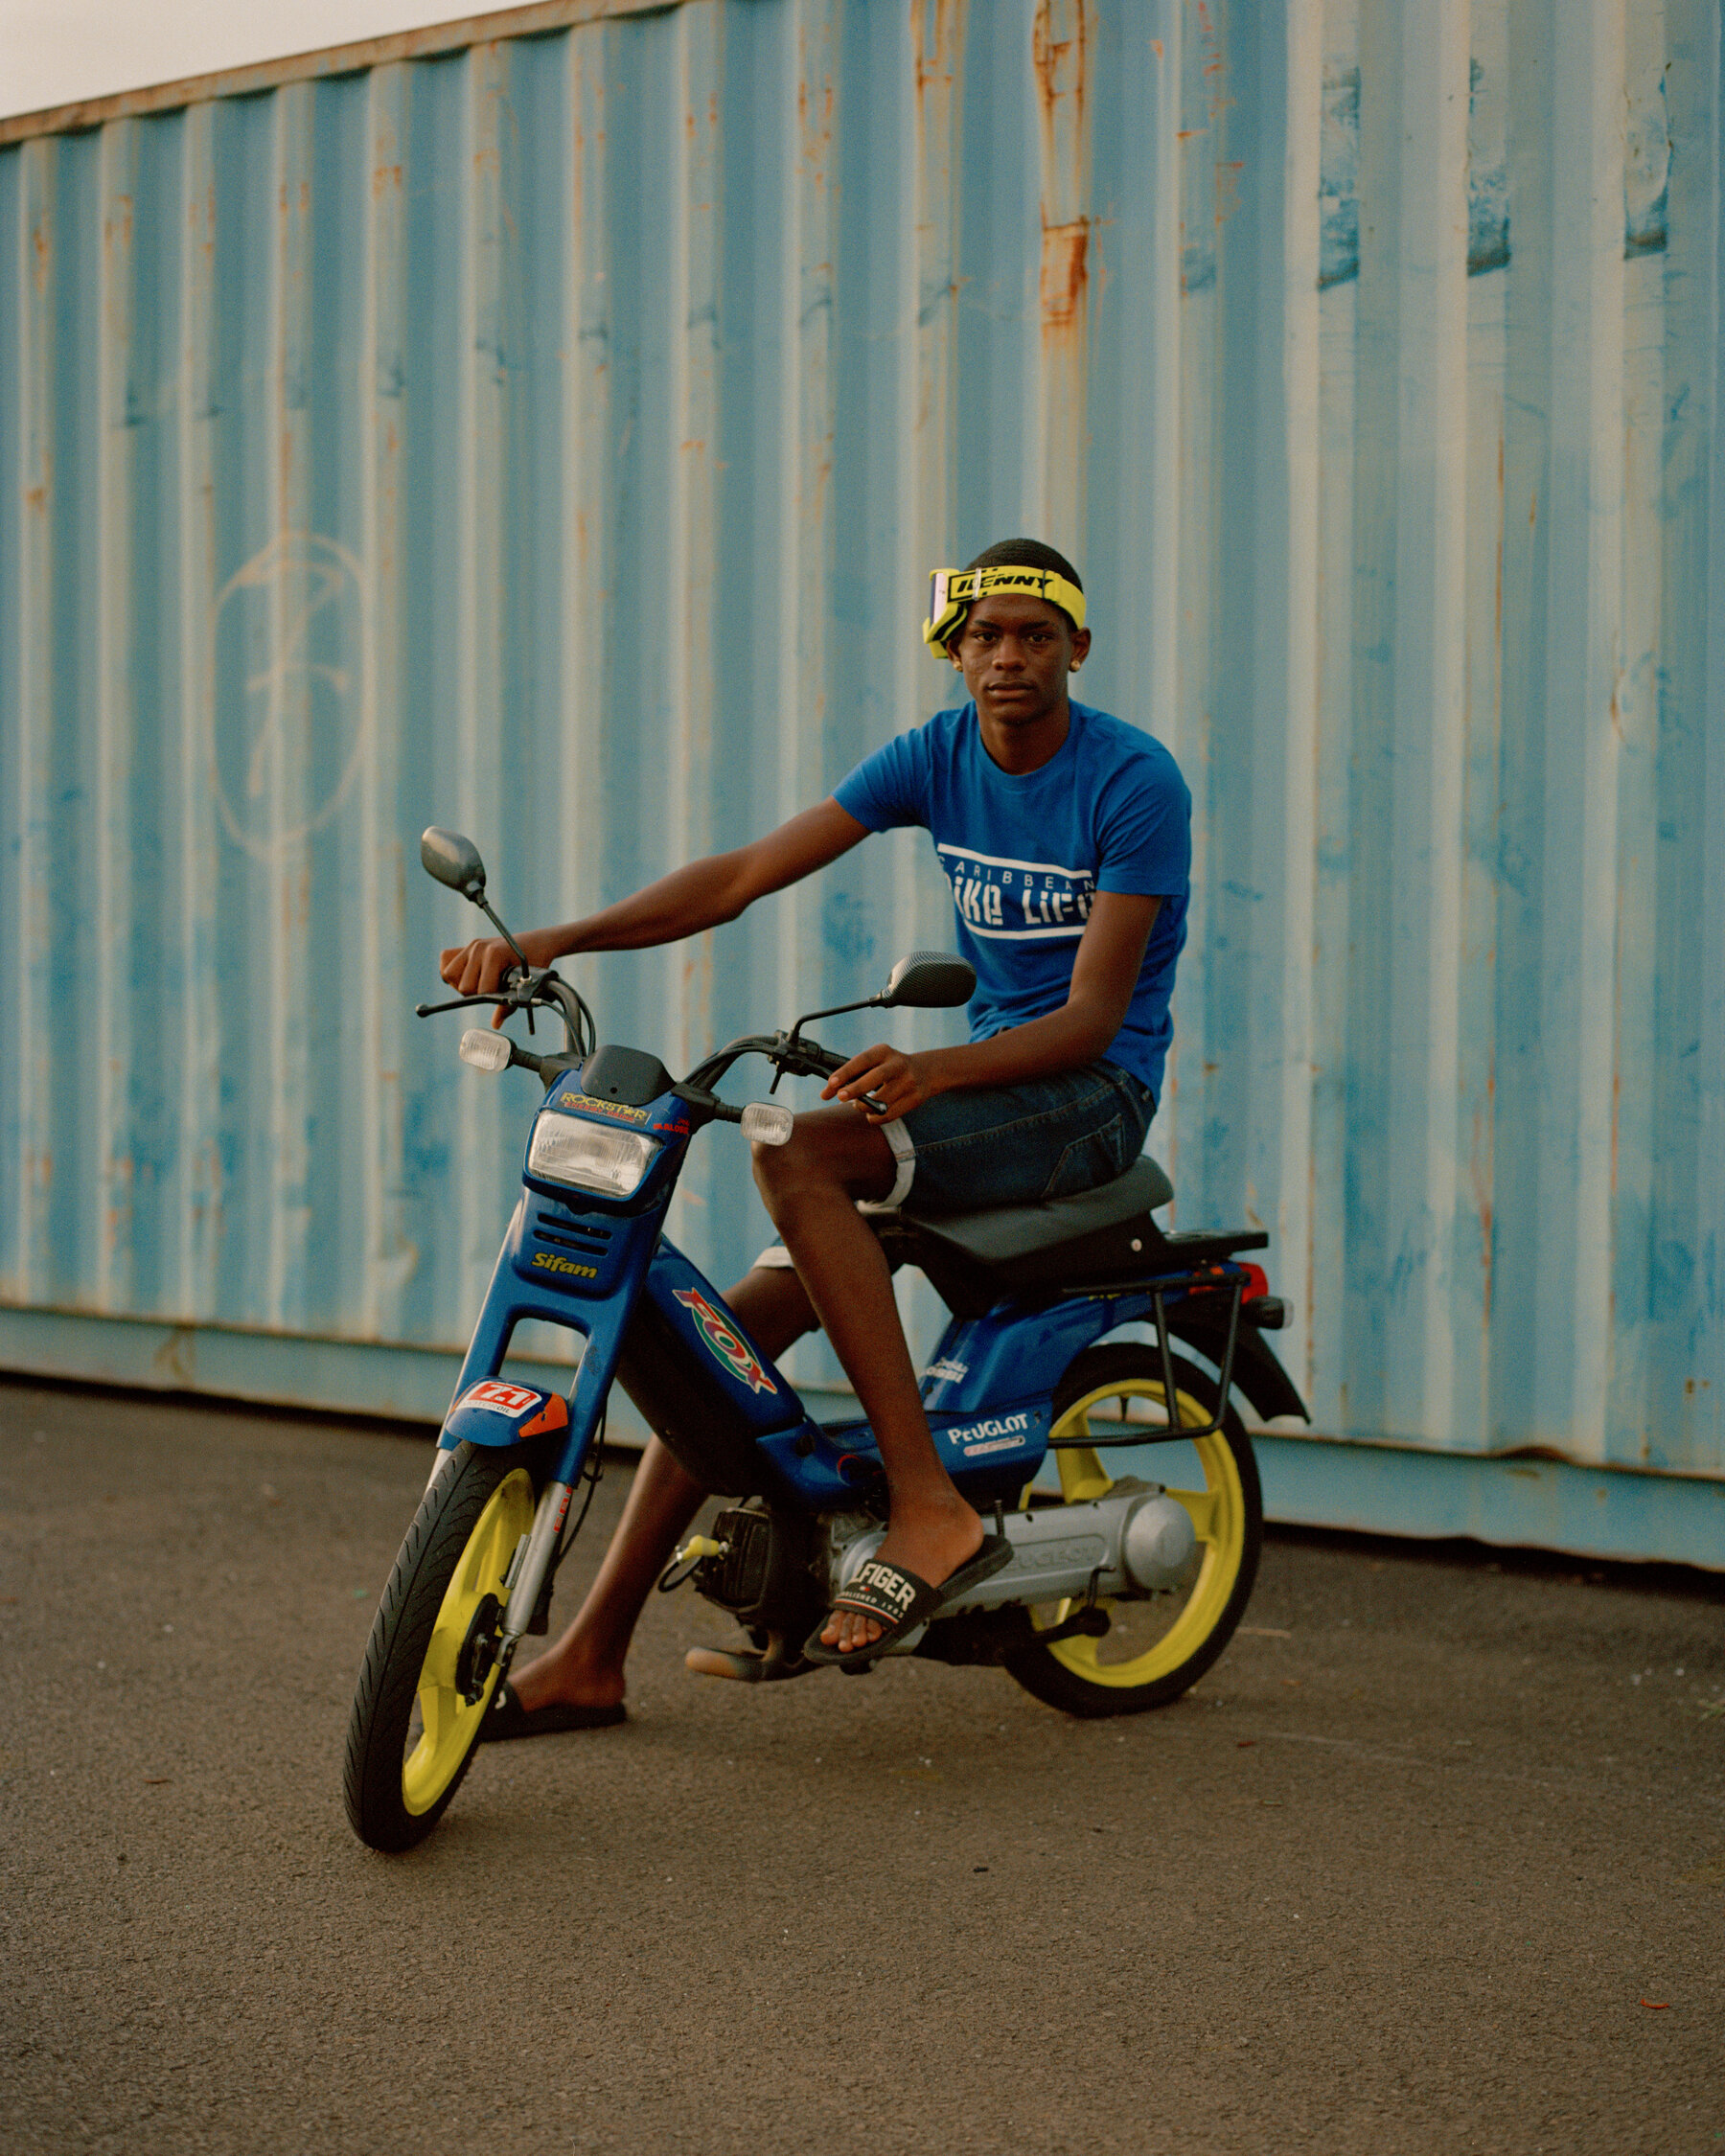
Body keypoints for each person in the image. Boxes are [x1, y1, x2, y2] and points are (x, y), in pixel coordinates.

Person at [439, 538, 1191, 1719]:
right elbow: (739, 876)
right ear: (956, 653)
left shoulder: (1134, 781)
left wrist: (937, 1071)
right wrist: (551, 940)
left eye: (1035, 636)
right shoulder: (935, 757)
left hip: (1086, 1099)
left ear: (1077, 650)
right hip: (976, 1090)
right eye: (985, 636)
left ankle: (926, 1506)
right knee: (717, 1356)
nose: (1009, 658)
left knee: (797, 1146)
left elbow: (1094, 1020)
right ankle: (592, 1655)